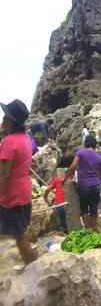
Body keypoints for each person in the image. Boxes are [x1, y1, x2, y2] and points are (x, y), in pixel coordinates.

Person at [0, 99, 37, 265]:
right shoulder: (25, 138)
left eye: (5, 116)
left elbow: (3, 174)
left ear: (12, 121)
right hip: (24, 192)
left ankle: (32, 267)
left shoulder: (9, 141)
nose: (2, 119)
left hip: (11, 195)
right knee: (20, 234)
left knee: (20, 236)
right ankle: (32, 265)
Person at [66, 135, 101, 231]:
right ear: (95, 145)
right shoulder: (99, 157)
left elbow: (73, 166)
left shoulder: (81, 152)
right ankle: (94, 230)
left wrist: (65, 177)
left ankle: (88, 230)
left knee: (83, 209)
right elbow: (100, 174)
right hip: (96, 185)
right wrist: (98, 184)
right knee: (94, 208)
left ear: (85, 143)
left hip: (84, 186)